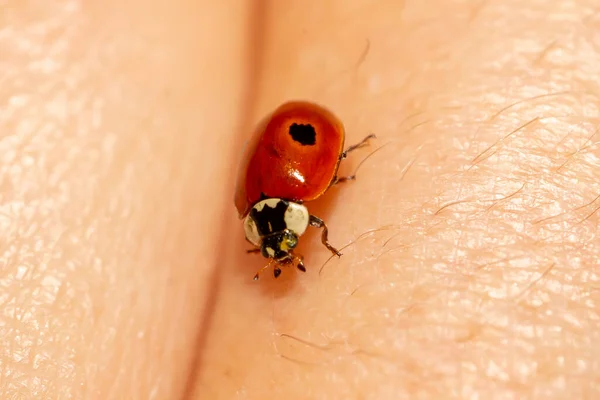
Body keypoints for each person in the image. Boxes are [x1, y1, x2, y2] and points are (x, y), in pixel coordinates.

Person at [1, 1, 596, 398]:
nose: (287, 248)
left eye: (282, 245)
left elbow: (307, 198)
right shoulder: (266, 208)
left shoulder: (281, 201)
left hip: (305, 131)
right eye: (284, 246)